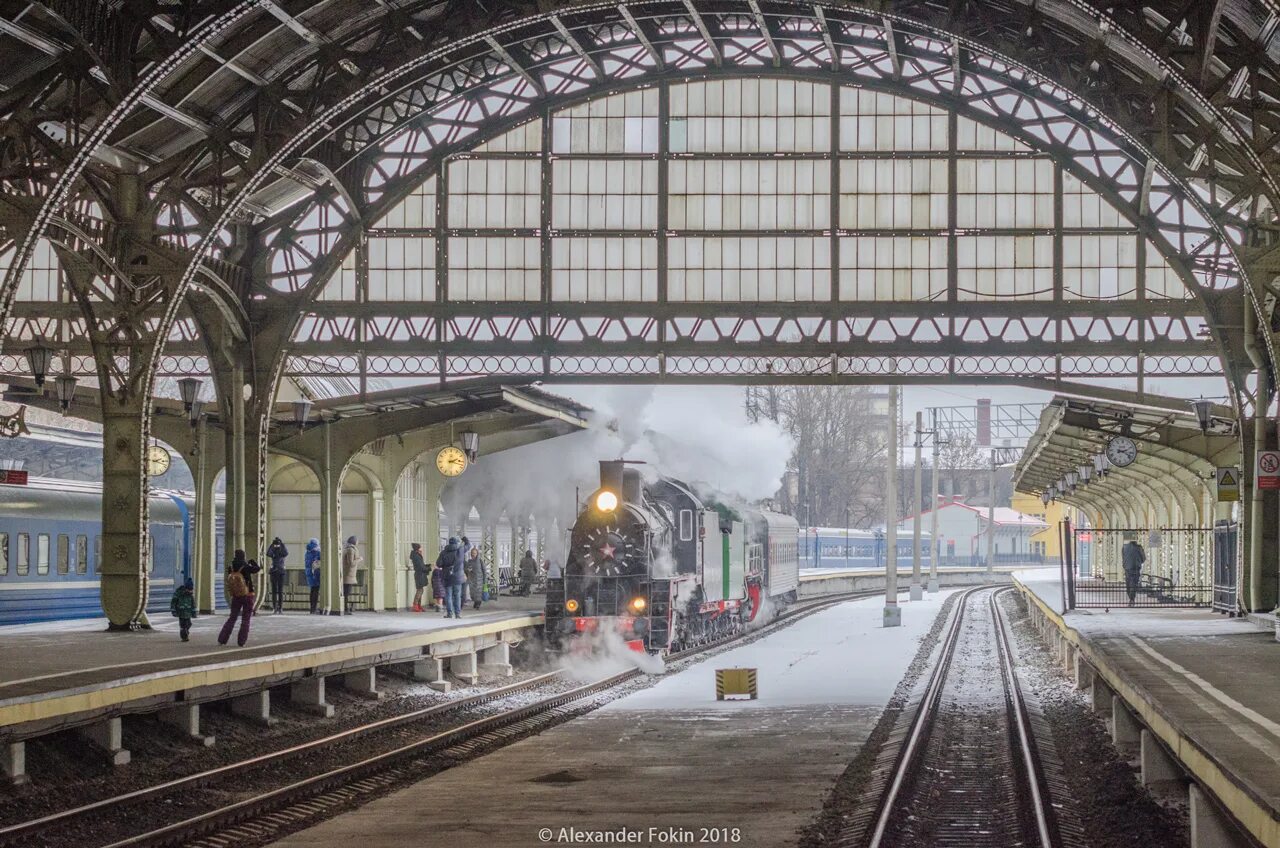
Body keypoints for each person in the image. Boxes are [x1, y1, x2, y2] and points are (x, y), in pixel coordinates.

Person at [218, 550, 261, 647]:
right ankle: (241, 641)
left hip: (236, 596)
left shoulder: (231, 567)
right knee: (246, 619)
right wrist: (252, 562)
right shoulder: (245, 567)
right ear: (243, 556)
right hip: (247, 595)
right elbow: (257, 569)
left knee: (232, 618)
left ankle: (222, 639)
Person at [436, 537, 465, 619]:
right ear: (456, 543)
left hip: (447, 576)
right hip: (457, 577)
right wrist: (465, 540)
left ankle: (449, 613)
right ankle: (458, 614)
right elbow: (468, 545)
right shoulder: (460, 551)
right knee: (457, 596)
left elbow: (438, 564)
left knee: (448, 596)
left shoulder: (443, 552)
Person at [170, 577, 197, 641]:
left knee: (189, 624)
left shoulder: (190, 596)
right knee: (183, 625)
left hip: (188, 612)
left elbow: (193, 604)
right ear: (186, 588)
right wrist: (173, 610)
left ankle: (186, 632)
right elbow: (173, 602)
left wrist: (194, 612)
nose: (191, 591)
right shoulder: (179, 594)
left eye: (191, 589)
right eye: (190, 589)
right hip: (181, 612)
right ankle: (184, 637)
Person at [266, 537, 289, 614]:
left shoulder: (282, 552)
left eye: (277, 544)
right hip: (277, 571)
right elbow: (268, 553)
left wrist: (281, 544)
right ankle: (275, 608)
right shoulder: (273, 552)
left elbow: (286, 553)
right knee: (275, 591)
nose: (276, 546)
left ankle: (280, 608)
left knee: (279, 591)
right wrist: (273, 545)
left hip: (279, 571)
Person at [1122, 539, 1146, 607]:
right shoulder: (1139, 547)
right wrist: (1139, 561)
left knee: (1128, 584)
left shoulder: (1124, 547)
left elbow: (1123, 557)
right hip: (1135, 568)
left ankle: (1131, 598)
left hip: (1127, 568)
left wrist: (1125, 564)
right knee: (1133, 584)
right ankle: (1132, 599)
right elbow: (1143, 558)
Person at [342, 536, 362, 614]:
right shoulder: (351, 550)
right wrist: (359, 559)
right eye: (357, 541)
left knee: (346, 593)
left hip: (348, 574)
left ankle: (345, 608)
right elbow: (351, 563)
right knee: (346, 593)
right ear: (354, 542)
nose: (358, 542)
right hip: (348, 575)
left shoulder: (348, 549)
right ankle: (345, 609)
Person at [410, 543, 430, 612]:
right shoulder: (416, 556)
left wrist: (428, 565)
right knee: (420, 590)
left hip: (420, 574)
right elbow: (421, 567)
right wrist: (429, 568)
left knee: (420, 590)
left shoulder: (417, 555)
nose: (422, 548)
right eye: (420, 547)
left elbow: (421, 565)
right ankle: (415, 605)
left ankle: (418, 605)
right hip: (420, 574)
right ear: (418, 548)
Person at [304, 539, 321, 614]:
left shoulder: (307, 552)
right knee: (316, 591)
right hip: (315, 572)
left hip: (308, 572)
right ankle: (314, 609)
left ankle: (312, 608)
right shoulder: (317, 551)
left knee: (312, 590)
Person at [430, 547, 445, 612]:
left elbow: (432, 579)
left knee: (437, 597)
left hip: (435, 586)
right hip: (441, 586)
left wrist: (432, 585)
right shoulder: (441, 571)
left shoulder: (434, 571)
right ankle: (440, 608)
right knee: (440, 598)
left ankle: (437, 607)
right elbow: (443, 578)